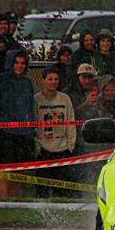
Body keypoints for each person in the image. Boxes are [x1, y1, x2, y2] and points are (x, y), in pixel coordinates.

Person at [0, 49, 36, 198]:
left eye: (22, 63)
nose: (19, 66)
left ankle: (15, 202)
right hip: (5, 133)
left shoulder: (27, 83)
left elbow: (29, 106)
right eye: (16, 63)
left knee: (18, 173)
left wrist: (31, 128)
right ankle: (1, 203)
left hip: (24, 133)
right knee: (4, 172)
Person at [34, 67, 76, 196]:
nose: (53, 82)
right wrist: (37, 147)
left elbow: (71, 121)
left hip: (62, 150)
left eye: (56, 79)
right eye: (50, 79)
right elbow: (33, 125)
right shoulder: (36, 100)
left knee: (62, 190)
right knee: (43, 191)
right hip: (43, 150)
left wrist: (70, 145)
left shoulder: (65, 99)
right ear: (43, 81)